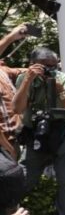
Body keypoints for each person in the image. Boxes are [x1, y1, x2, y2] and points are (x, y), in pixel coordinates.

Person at [12, 47, 65, 215]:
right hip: (35, 133)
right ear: (33, 64)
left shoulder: (64, 79)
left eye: (54, 65)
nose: (50, 69)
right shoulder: (25, 78)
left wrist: (61, 92)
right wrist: (27, 81)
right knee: (21, 181)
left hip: (60, 133)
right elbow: (17, 108)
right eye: (45, 66)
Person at [0, 24, 29, 158]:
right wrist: (11, 37)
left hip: (14, 137)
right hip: (3, 143)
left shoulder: (3, 71)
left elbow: (23, 72)